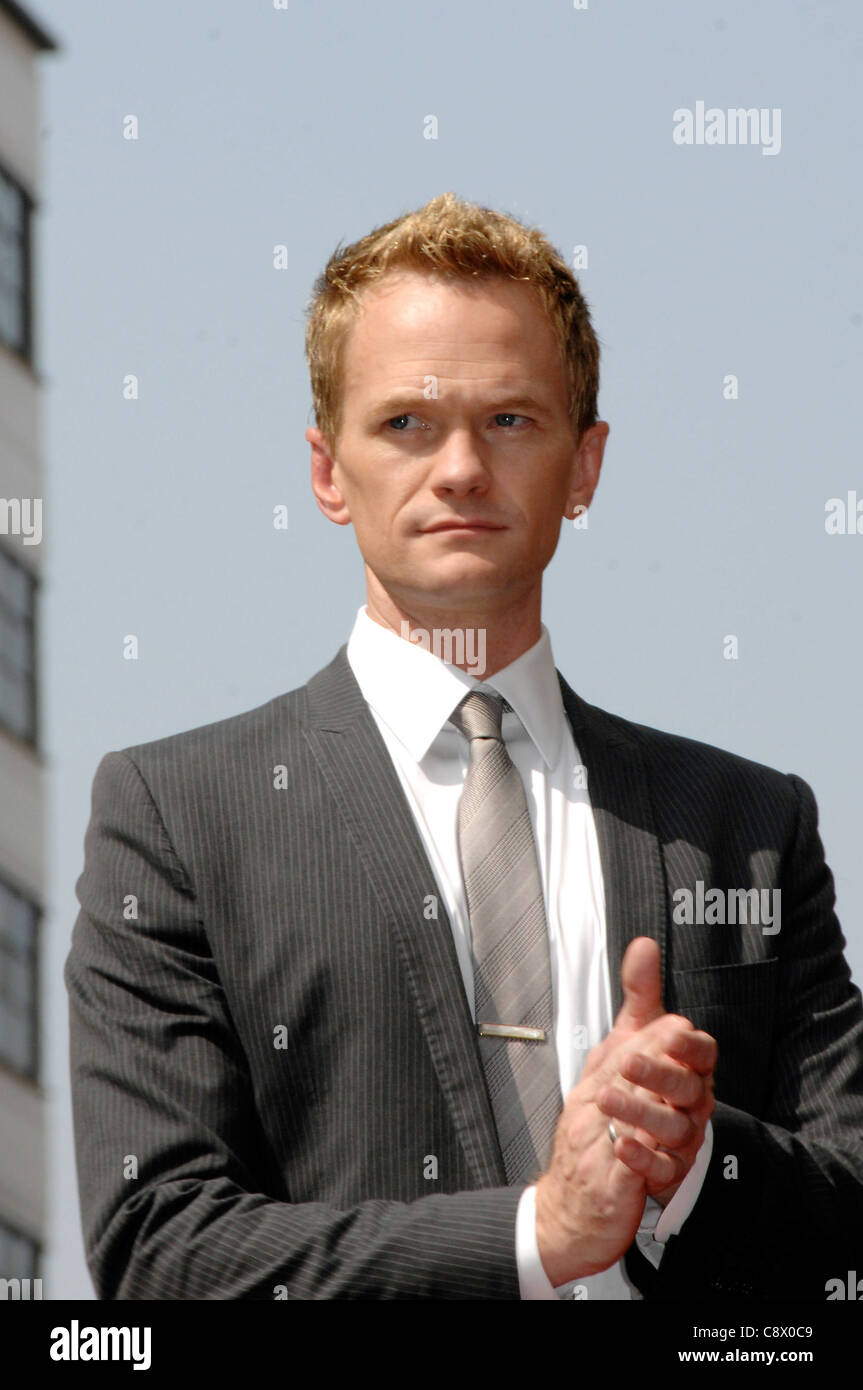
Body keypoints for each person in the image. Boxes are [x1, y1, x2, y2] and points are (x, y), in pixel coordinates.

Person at [65, 191, 863, 1300]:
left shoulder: (746, 827)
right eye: (404, 423)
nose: (457, 469)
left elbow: (849, 1227)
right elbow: (161, 1254)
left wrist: (687, 1165)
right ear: (325, 471)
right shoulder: (177, 818)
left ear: (583, 468)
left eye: (508, 420)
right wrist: (538, 1232)